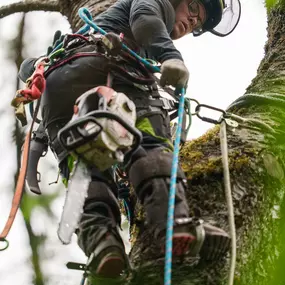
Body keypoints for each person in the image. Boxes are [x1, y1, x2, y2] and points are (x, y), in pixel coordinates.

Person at [18, 0, 240, 280]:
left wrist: (38, 135)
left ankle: (101, 241)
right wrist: (170, 56)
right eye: (194, 7)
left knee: (84, 167)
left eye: (198, 23)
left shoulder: (78, 36)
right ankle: (173, 223)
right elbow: (146, 18)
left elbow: (29, 68)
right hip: (110, 67)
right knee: (148, 143)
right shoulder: (153, 3)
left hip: (58, 89)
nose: (192, 21)